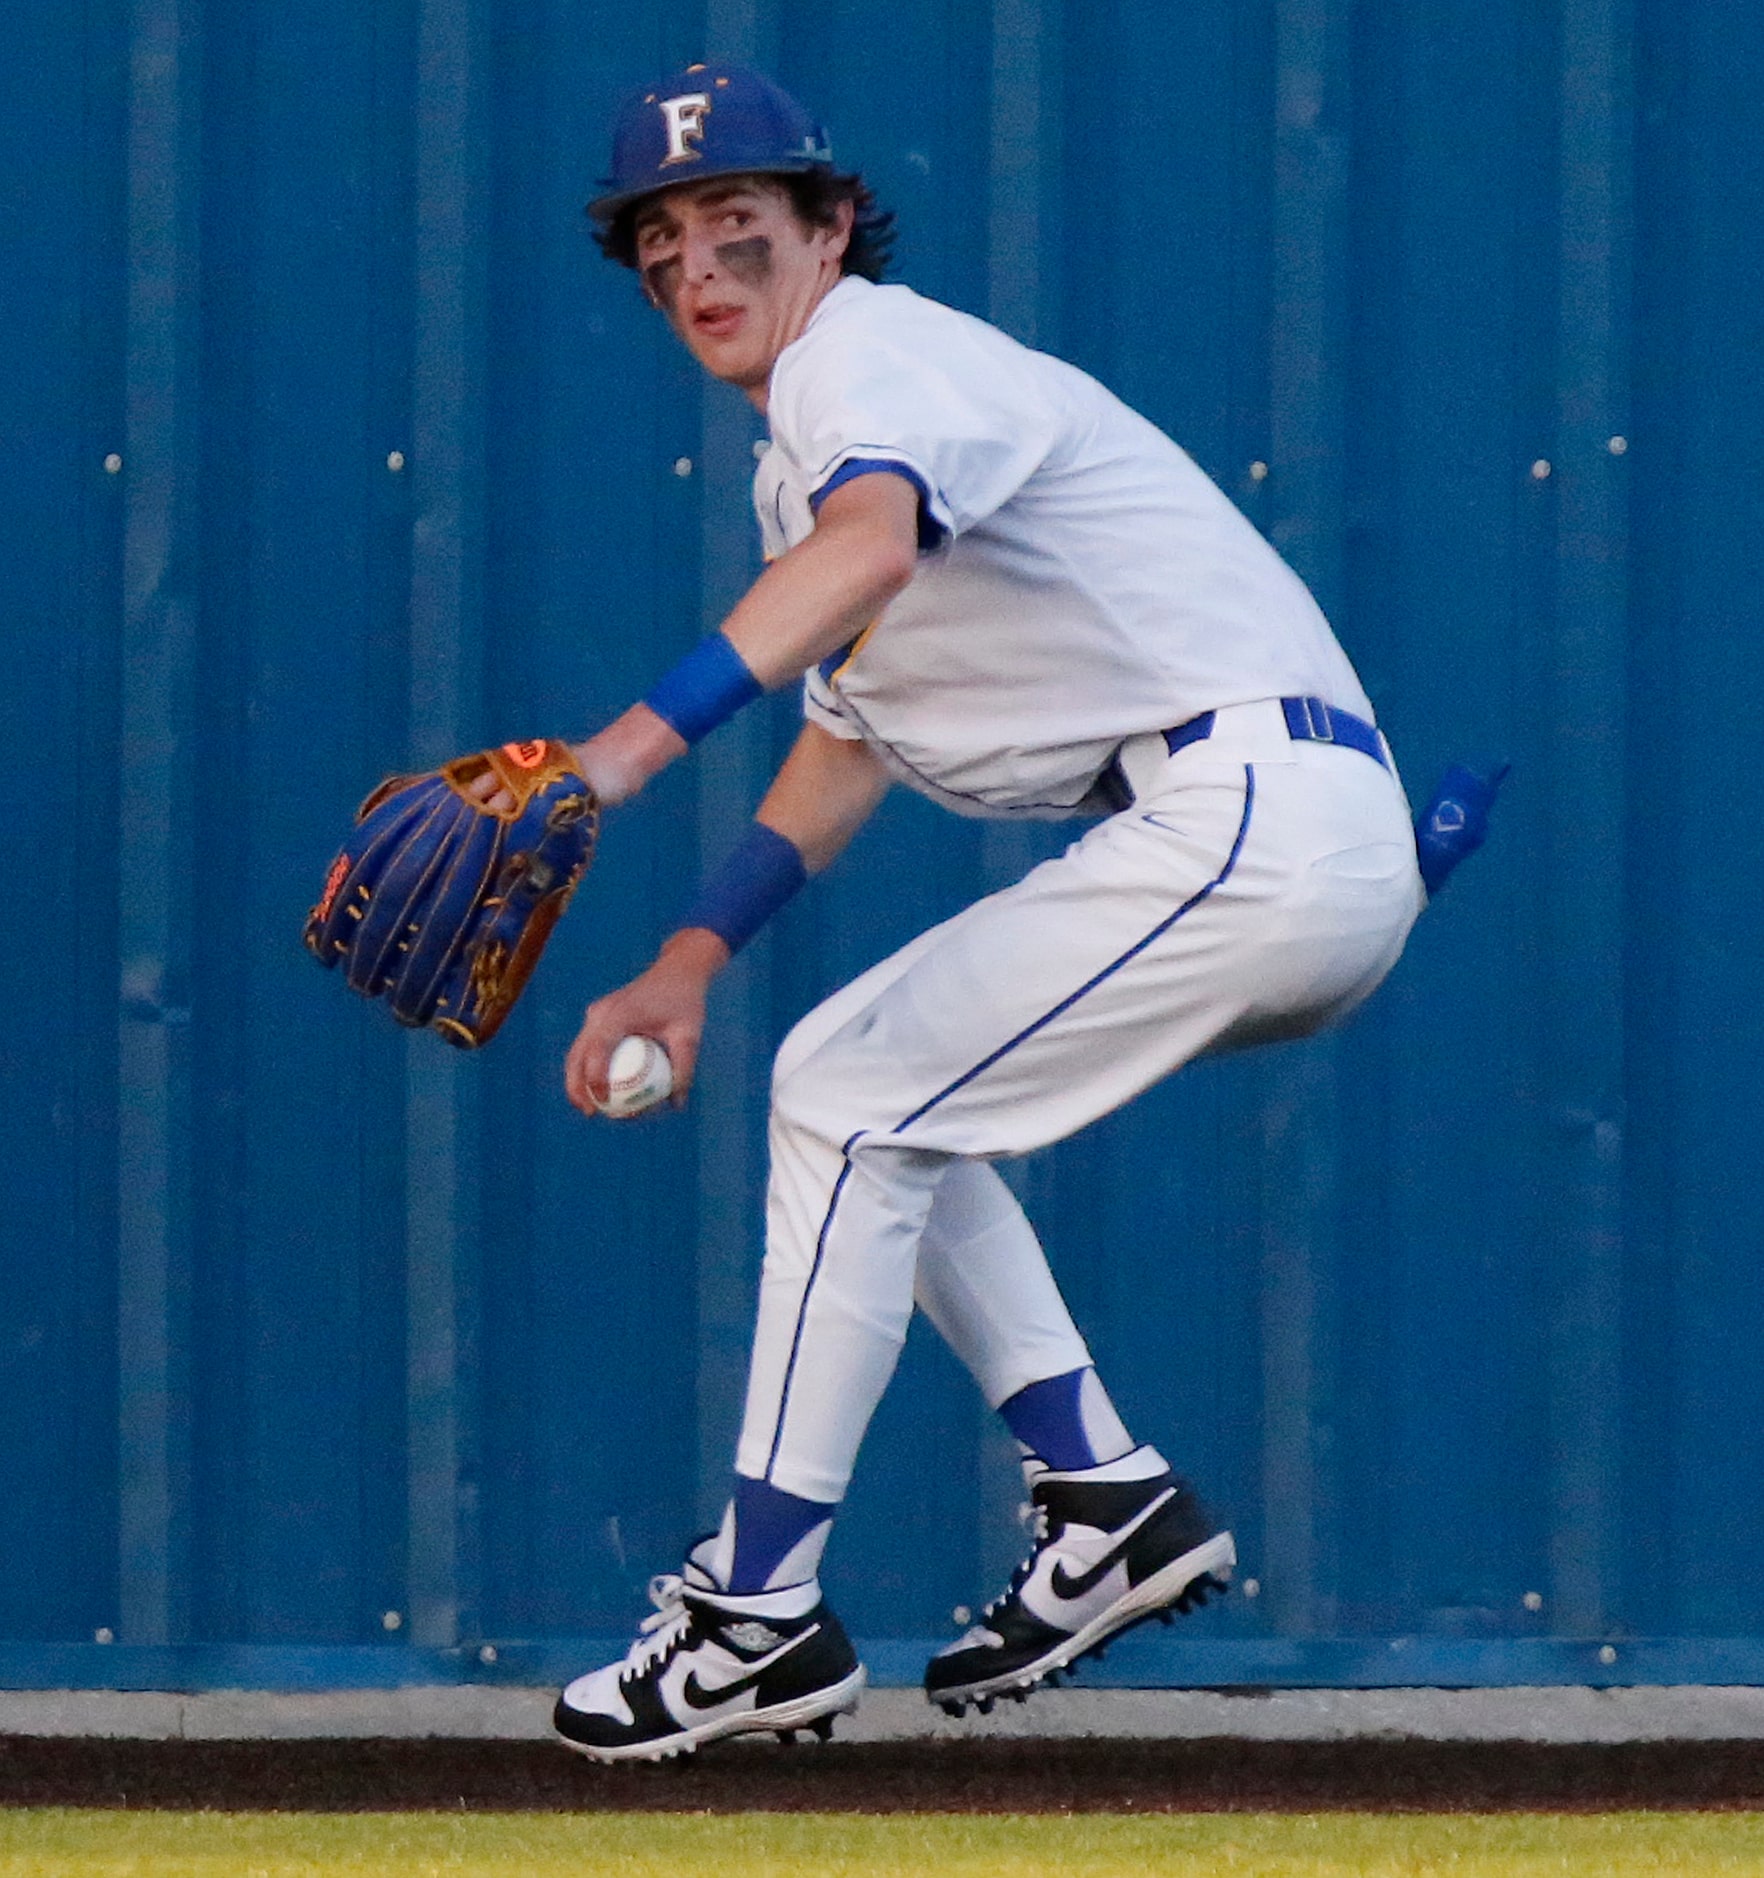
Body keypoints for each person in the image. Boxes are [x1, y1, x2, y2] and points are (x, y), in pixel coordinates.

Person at [545, 61, 1424, 1763]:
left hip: (1247, 817)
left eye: (741, 225)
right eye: (664, 248)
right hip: (1270, 829)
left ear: (831, 230)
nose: (702, 269)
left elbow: (868, 556)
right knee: (865, 1086)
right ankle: (1107, 1498)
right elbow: (846, 737)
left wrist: (618, 757)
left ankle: (755, 1617)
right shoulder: (816, 451)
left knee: (853, 1099)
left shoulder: (871, 355)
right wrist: (688, 953)